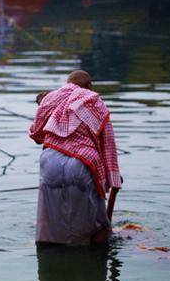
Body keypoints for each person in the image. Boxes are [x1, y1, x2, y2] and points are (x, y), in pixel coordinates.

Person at [29, 70, 121, 245]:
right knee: (94, 219)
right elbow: (108, 146)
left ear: (67, 82)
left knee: (51, 216)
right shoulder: (94, 100)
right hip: (83, 161)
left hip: (50, 161)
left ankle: (50, 245)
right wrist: (114, 182)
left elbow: (36, 134)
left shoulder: (51, 98)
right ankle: (88, 246)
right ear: (89, 86)